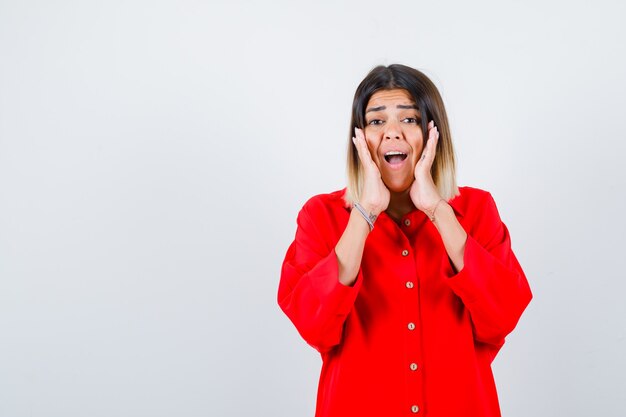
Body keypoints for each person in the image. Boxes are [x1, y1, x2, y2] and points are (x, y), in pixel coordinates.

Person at [277, 64, 532, 417]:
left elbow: (503, 315)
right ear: (359, 137)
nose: (392, 133)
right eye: (377, 121)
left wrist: (437, 210)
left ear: (432, 133)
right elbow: (314, 327)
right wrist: (364, 212)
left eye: (409, 120)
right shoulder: (321, 216)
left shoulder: (477, 210)